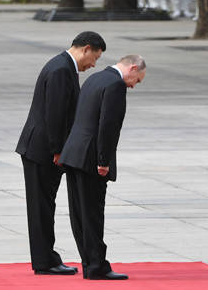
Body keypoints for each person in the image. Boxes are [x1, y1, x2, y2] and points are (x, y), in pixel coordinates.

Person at [15, 31, 106, 275]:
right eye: (95, 58)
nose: (94, 65)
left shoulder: (63, 66)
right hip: (42, 150)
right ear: (86, 48)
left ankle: (47, 257)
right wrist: (58, 151)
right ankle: (45, 261)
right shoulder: (61, 70)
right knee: (41, 207)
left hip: (43, 148)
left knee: (45, 205)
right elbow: (54, 114)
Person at [59, 55, 146, 280]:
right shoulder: (115, 85)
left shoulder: (94, 78)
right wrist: (103, 161)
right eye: (138, 79)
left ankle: (89, 262)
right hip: (90, 159)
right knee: (93, 214)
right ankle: (97, 265)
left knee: (79, 213)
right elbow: (108, 126)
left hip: (74, 153)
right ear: (133, 67)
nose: (135, 85)